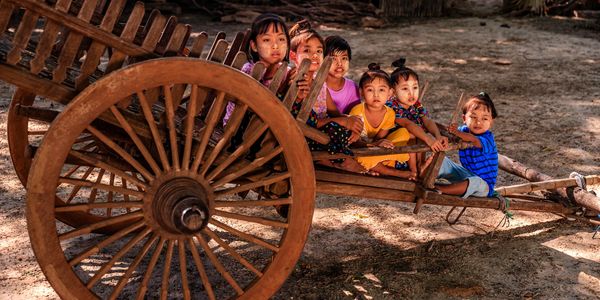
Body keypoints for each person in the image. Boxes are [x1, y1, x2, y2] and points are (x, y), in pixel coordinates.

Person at [287, 20, 364, 173]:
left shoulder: (320, 82)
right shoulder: (296, 80)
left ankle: (344, 154)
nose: (314, 55)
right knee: (336, 127)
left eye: (319, 51)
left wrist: (351, 122)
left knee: (344, 126)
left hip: (320, 132)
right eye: (307, 51)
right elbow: (303, 122)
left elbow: (334, 111)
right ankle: (331, 160)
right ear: (293, 56)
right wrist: (340, 121)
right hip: (302, 135)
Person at [349, 63, 417, 179]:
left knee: (404, 133)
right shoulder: (357, 112)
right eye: (370, 90)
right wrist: (374, 145)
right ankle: (392, 171)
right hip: (362, 149)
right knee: (359, 158)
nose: (376, 95)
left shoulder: (389, 113)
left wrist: (380, 144)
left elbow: (381, 139)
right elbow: (354, 142)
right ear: (361, 92)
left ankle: (376, 165)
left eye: (381, 90)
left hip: (379, 148)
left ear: (390, 93)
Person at [223, 13, 290, 126]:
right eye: (267, 40)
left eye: (281, 39)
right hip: (239, 128)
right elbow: (236, 110)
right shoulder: (248, 70)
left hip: (272, 129)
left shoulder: (288, 73)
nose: (275, 46)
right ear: (254, 46)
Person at [427, 92, 498, 198]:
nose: (478, 122)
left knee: (475, 182)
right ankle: (423, 177)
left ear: (491, 121)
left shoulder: (488, 138)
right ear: (464, 119)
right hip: (466, 175)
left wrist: (456, 133)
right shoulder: (464, 130)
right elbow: (449, 132)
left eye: (484, 118)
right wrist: (430, 124)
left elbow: (473, 140)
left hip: (483, 186)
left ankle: (441, 189)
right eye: (473, 117)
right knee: (443, 161)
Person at [386, 58, 448, 154]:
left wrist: (437, 136)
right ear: (393, 92)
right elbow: (408, 124)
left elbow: (427, 120)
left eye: (415, 87)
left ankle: (419, 165)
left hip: (415, 148)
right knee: (412, 134)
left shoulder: (416, 105)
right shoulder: (391, 106)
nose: (411, 93)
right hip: (396, 150)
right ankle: (414, 168)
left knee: (420, 133)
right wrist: (428, 139)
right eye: (405, 88)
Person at [322, 35, 361, 115]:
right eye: (333, 58)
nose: (339, 63)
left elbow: (354, 116)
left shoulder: (352, 88)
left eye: (344, 58)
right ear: (322, 60)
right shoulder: (317, 85)